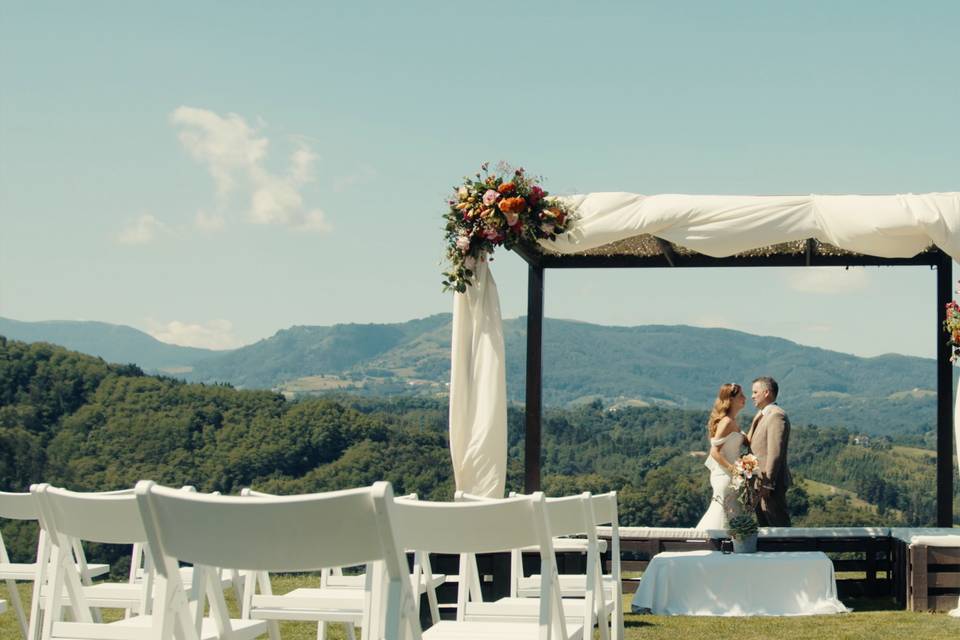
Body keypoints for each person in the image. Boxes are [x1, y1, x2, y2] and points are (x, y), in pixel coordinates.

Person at [695, 383, 747, 530]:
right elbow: (714, 452)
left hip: (730, 474)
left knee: (730, 511)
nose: (745, 398)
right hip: (725, 475)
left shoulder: (732, 421)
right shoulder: (727, 422)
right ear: (731, 400)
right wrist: (733, 469)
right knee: (722, 511)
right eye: (741, 395)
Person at [747, 376, 792, 527]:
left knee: (778, 527)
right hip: (758, 483)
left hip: (770, 485)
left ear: (766, 392)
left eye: (755, 392)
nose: (752, 396)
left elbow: (775, 452)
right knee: (765, 527)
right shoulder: (762, 415)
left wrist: (768, 483)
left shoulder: (776, 415)